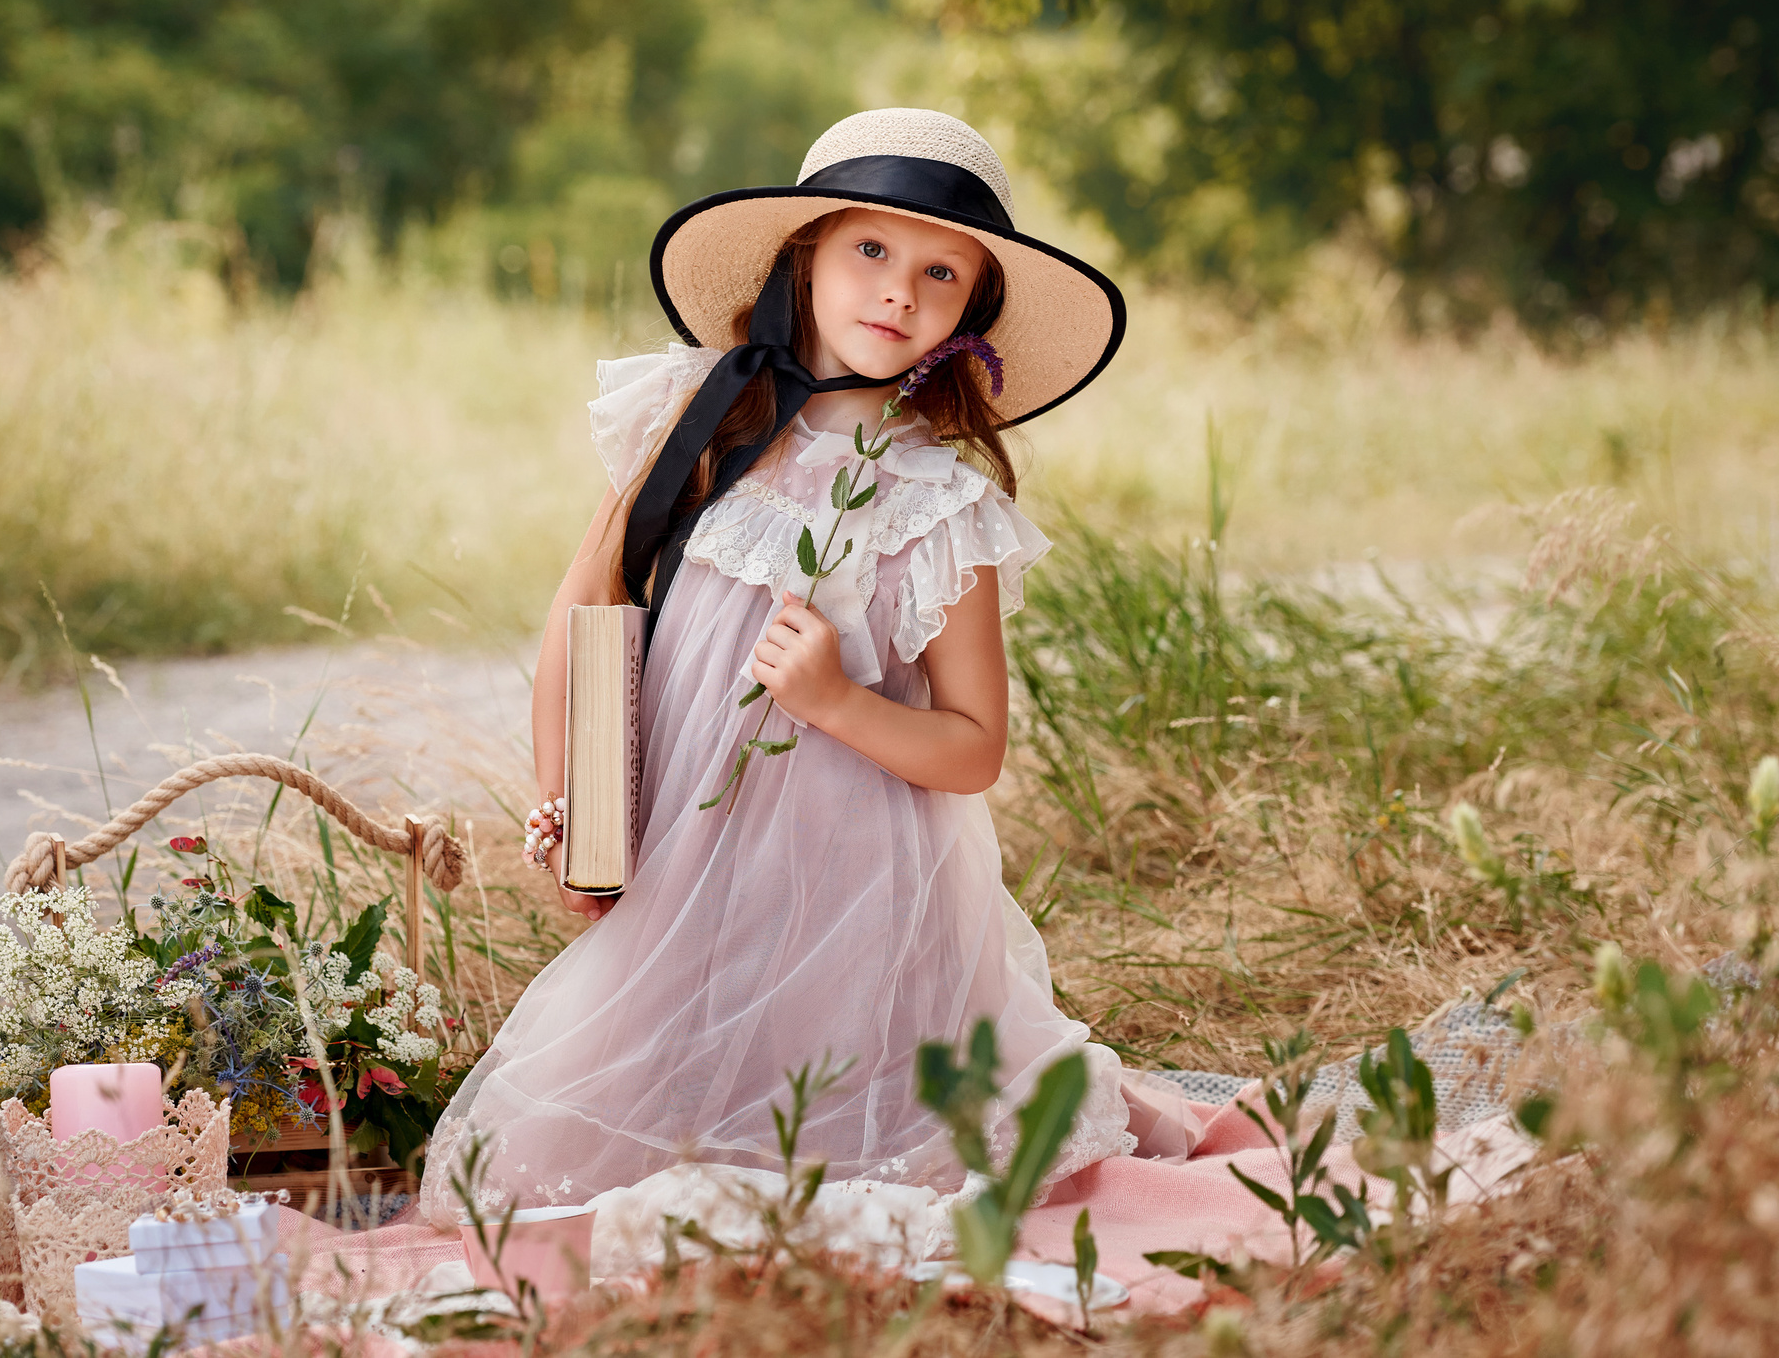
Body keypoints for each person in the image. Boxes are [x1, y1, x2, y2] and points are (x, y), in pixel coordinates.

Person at [419, 108, 1204, 1223]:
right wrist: (575, 810)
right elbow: (587, 604)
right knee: (608, 1129)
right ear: (806, 255)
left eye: (940, 273)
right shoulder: (695, 418)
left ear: (968, 314)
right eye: (870, 249)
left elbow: (974, 747)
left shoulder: (937, 502)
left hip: (857, 889)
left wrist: (835, 699)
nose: (899, 292)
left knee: (842, 1132)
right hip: (682, 855)